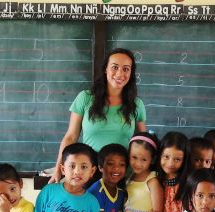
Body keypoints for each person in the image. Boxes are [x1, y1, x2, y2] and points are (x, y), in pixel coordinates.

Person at [49, 48, 147, 183]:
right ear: (106, 69)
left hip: (120, 174)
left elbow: (145, 142)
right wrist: (58, 169)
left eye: (126, 69)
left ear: (131, 73)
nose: (120, 73)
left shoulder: (136, 104)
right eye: (115, 67)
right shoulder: (85, 98)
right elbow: (71, 136)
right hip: (88, 172)